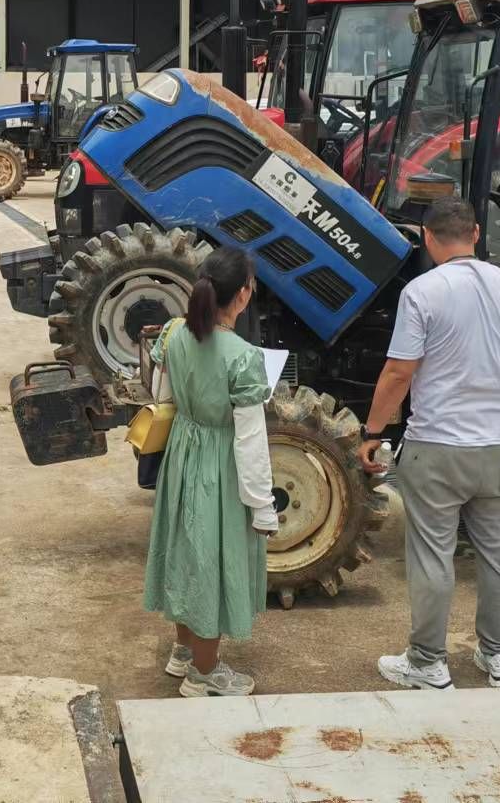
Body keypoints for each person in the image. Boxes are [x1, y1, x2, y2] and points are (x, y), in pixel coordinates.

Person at [357, 198, 500, 691]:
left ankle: (427, 662)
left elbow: (400, 371)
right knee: (499, 555)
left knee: (432, 556)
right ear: (476, 232)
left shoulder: (422, 292)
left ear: (427, 236)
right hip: (498, 448)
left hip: (437, 446)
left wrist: (373, 432)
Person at [144, 246, 279, 697]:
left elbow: (160, 390)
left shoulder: (173, 333)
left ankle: (184, 651)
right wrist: (262, 505)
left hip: (182, 451)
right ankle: (204, 673)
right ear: (243, 295)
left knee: (186, 546)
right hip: (219, 464)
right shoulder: (242, 356)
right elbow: (251, 439)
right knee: (212, 562)